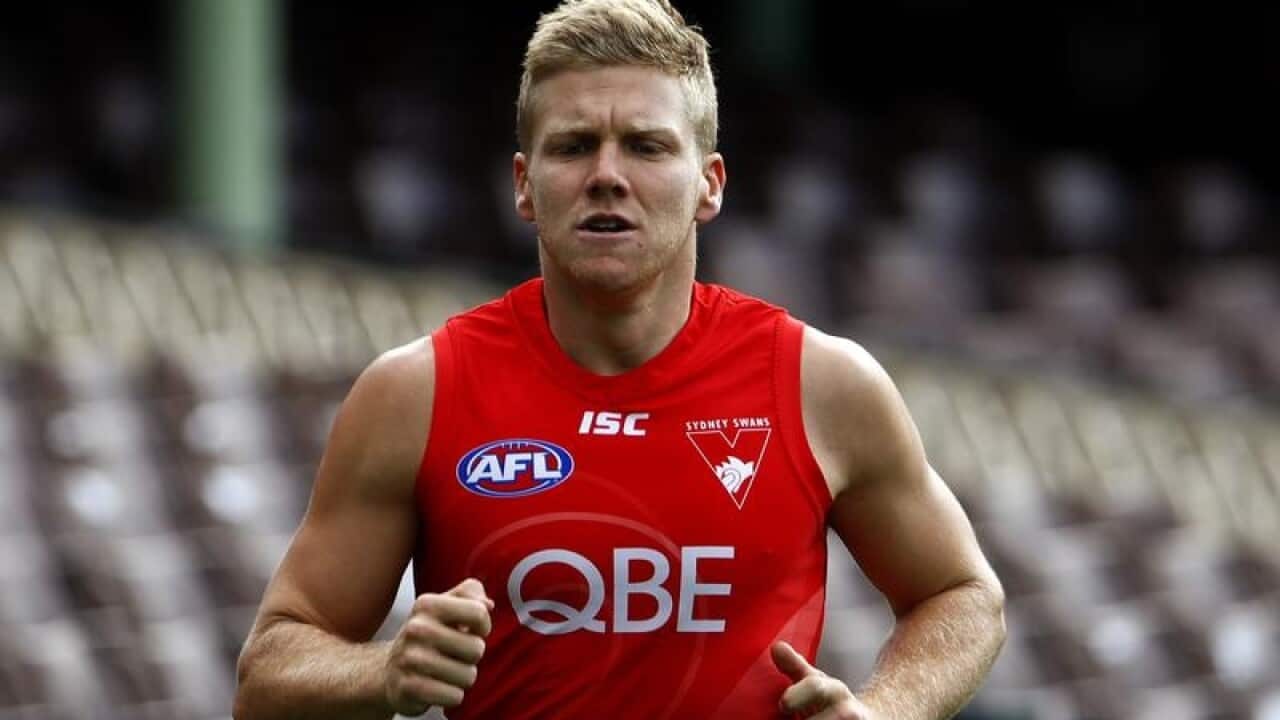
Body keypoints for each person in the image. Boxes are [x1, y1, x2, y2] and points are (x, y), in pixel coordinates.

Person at [233, 1, 1006, 718]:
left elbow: (964, 593)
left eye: (645, 145)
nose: (608, 174)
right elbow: (268, 670)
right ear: (524, 185)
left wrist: (887, 709)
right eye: (573, 146)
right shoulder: (417, 393)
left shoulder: (822, 385)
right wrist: (383, 672)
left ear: (709, 185)